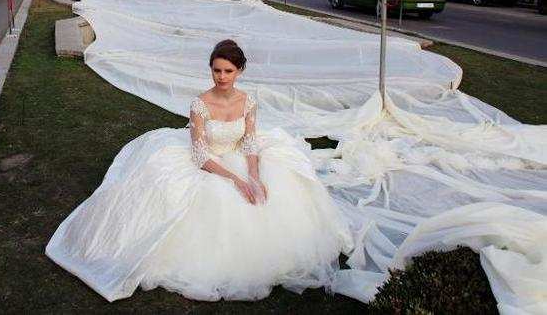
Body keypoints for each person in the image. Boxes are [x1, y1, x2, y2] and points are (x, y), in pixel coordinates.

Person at [46, 39, 352, 302]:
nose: (221, 77)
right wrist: (236, 180)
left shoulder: (248, 102)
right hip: (209, 162)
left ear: (240, 71)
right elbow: (200, 154)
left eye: (228, 71)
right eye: (217, 70)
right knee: (213, 198)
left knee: (276, 192)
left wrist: (254, 177)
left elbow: (248, 143)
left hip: (238, 156)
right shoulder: (200, 104)